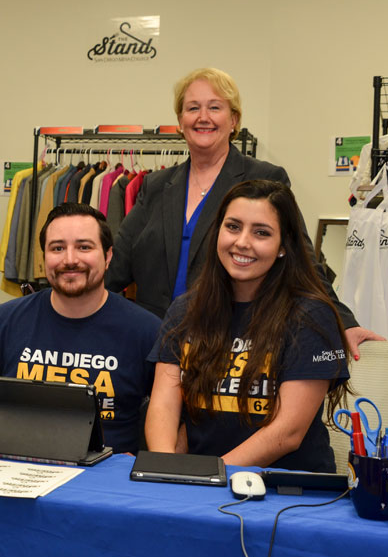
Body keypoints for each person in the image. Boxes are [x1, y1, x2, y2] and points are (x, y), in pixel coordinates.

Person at [104, 67, 380, 358]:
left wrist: (343, 322)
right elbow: (117, 261)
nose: (203, 117)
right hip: (156, 344)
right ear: (180, 121)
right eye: (192, 108)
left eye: (215, 107)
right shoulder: (157, 185)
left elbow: (302, 259)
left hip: (228, 344)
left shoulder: (264, 179)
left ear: (234, 119)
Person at [145, 179, 351, 472]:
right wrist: (166, 469)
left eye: (261, 233)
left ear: (283, 247)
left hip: (287, 495)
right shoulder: (184, 311)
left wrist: (204, 477)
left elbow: (287, 433)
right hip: (200, 486)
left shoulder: (312, 316)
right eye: (233, 227)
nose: (242, 242)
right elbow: (164, 405)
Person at [0, 203, 161, 453]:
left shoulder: (145, 330)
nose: (70, 259)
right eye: (57, 248)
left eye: (84, 247)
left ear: (107, 257)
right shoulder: (7, 320)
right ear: (44, 258)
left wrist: (146, 467)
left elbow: (178, 415)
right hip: (15, 476)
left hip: (102, 486)